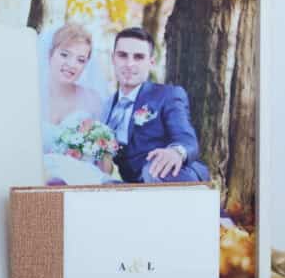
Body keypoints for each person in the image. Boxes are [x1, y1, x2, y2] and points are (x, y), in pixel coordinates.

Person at [103, 27, 210, 183]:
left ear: (151, 62)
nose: (129, 64)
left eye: (138, 57)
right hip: (134, 186)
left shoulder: (168, 95)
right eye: (123, 55)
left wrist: (176, 152)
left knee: (153, 169)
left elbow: (187, 139)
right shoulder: (106, 107)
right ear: (113, 59)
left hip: (172, 175)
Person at [39, 23, 113, 185]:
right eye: (65, 54)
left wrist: (99, 149)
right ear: (50, 54)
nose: (72, 64)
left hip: (79, 182)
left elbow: (105, 164)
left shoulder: (93, 100)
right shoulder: (31, 96)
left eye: (80, 60)